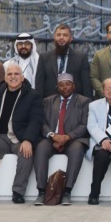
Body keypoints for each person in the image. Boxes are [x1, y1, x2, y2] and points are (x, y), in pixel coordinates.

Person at [0, 62, 43, 204]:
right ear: (5, 78)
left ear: (23, 77)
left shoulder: (32, 96)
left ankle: (18, 192)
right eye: (10, 74)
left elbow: (35, 120)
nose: (13, 77)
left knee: (26, 153)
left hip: (20, 137)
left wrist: (28, 140)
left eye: (16, 74)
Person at [33, 73, 91, 205]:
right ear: (57, 87)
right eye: (61, 85)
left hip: (72, 139)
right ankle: (41, 192)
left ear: (74, 86)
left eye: (68, 84)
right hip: (52, 138)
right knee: (40, 148)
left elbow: (85, 124)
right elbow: (41, 122)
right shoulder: (48, 101)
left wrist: (68, 136)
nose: (65, 87)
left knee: (77, 149)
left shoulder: (84, 101)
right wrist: (53, 135)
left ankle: (67, 192)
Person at [35, 23, 93, 99]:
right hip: (50, 105)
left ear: (70, 38)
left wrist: (87, 105)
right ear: (54, 37)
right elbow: (39, 84)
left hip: (74, 105)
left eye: (65, 35)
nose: (61, 38)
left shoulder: (81, 58)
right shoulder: (44, 57)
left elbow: (86, 85)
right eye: (58, 35)